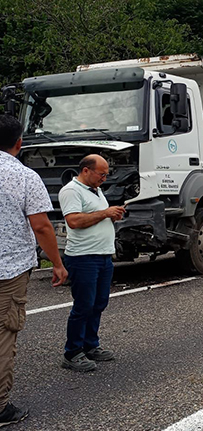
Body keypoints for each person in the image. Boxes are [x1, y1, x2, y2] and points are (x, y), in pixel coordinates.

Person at [0, 115, 68, 426]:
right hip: (9, 270)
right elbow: (40, 226)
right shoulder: (24, 176)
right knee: (4, 335)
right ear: (19, 143)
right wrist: (56, 262)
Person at [59, 155, 125, 372]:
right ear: (86, 170)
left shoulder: (95, 190)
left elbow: (94, 215)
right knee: (83, 305)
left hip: (103, 255)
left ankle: (90, 345)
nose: (104, 178)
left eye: (106, 174)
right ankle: (72, 352)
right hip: (83, 257)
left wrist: (110, 216)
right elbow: (74, 221)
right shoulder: (72, 190)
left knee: (99, 303)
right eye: (101, 174)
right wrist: (105, 212)